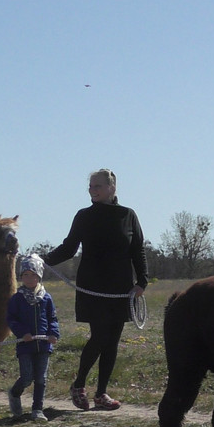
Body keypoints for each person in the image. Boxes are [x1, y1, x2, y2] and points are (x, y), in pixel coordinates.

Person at [43, 169, 148, 411]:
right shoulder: (83, 216)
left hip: (121, 288)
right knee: (100, 336)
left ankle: (101, 393)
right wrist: (44, 259)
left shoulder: (128, 215)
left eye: (97, 186)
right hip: (93, 287)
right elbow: (69, 248)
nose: (92, 190)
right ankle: (78, 385)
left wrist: (142, 281)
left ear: (112, 187)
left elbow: (137, 250)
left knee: (112, 341)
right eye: (90, 186)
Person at [6, 254, 60, 422]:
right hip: (25, 346)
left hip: (43, 346)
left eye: (33, 275)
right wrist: (23, 334)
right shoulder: (17, 298)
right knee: (27, 377)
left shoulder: (46, 297)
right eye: (26, 275)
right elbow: (11, 319)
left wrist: (53, 333)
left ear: (39, 276)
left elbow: (53, 318)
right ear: (21, 277)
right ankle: (15, 393)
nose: (29, 279)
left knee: (41, 379)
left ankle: (37, 409)